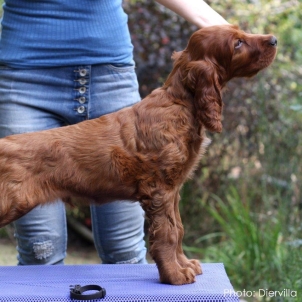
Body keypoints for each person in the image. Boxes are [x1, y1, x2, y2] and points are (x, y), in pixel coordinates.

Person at [0, 0, 228, 266]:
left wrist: (219, 26)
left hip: (109, 76)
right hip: (25, 79)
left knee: (126, 252)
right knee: (41, 251)